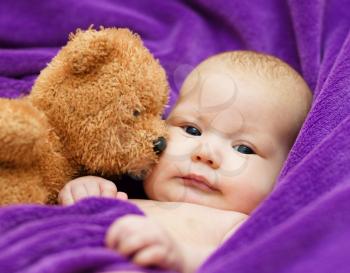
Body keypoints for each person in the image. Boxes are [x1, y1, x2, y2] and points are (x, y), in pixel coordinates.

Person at [58, 51, 312, 273]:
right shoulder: (122, 192)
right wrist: (85, 189)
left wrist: (181, 257)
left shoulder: (238, 227)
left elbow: (244, 263)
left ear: (283, 174)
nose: (206, 153)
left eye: (243, 148)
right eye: (191, 130)